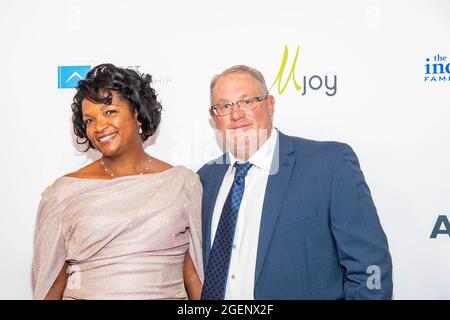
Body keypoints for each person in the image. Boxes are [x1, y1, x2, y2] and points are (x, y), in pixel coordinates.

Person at [198, 65, 393, 300]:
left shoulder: (328, 165)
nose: (236, 114)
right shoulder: (204, 179)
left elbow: (370, 266)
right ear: (214, 117)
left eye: (247, 101)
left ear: (270, 104)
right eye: (225, 106)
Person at [32, 64, 203, 300]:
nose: (99, 127)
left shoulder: (182, 184)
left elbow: (194, 275)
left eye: (110, 112)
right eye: (89, 120)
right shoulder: (63, 194)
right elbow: (51, 285)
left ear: (137, 113)